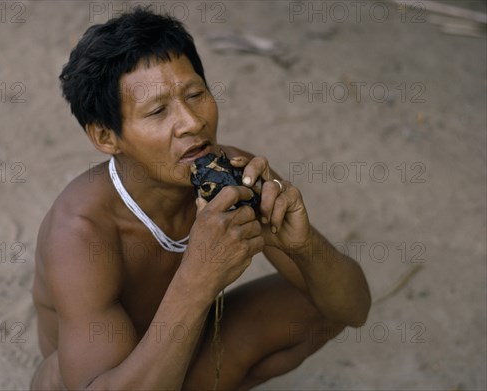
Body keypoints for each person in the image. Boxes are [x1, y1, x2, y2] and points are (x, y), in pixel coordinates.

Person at [31, 7, 371, 391]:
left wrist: (304, 246)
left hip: (183, 351)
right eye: (158, 111)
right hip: (112, 377)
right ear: (106, 137)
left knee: (316, 300)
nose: (193, 122)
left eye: (195, 94)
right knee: (56, 382)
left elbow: (354, 309)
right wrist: (198, 279)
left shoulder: (236, 176)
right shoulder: (80, 235)